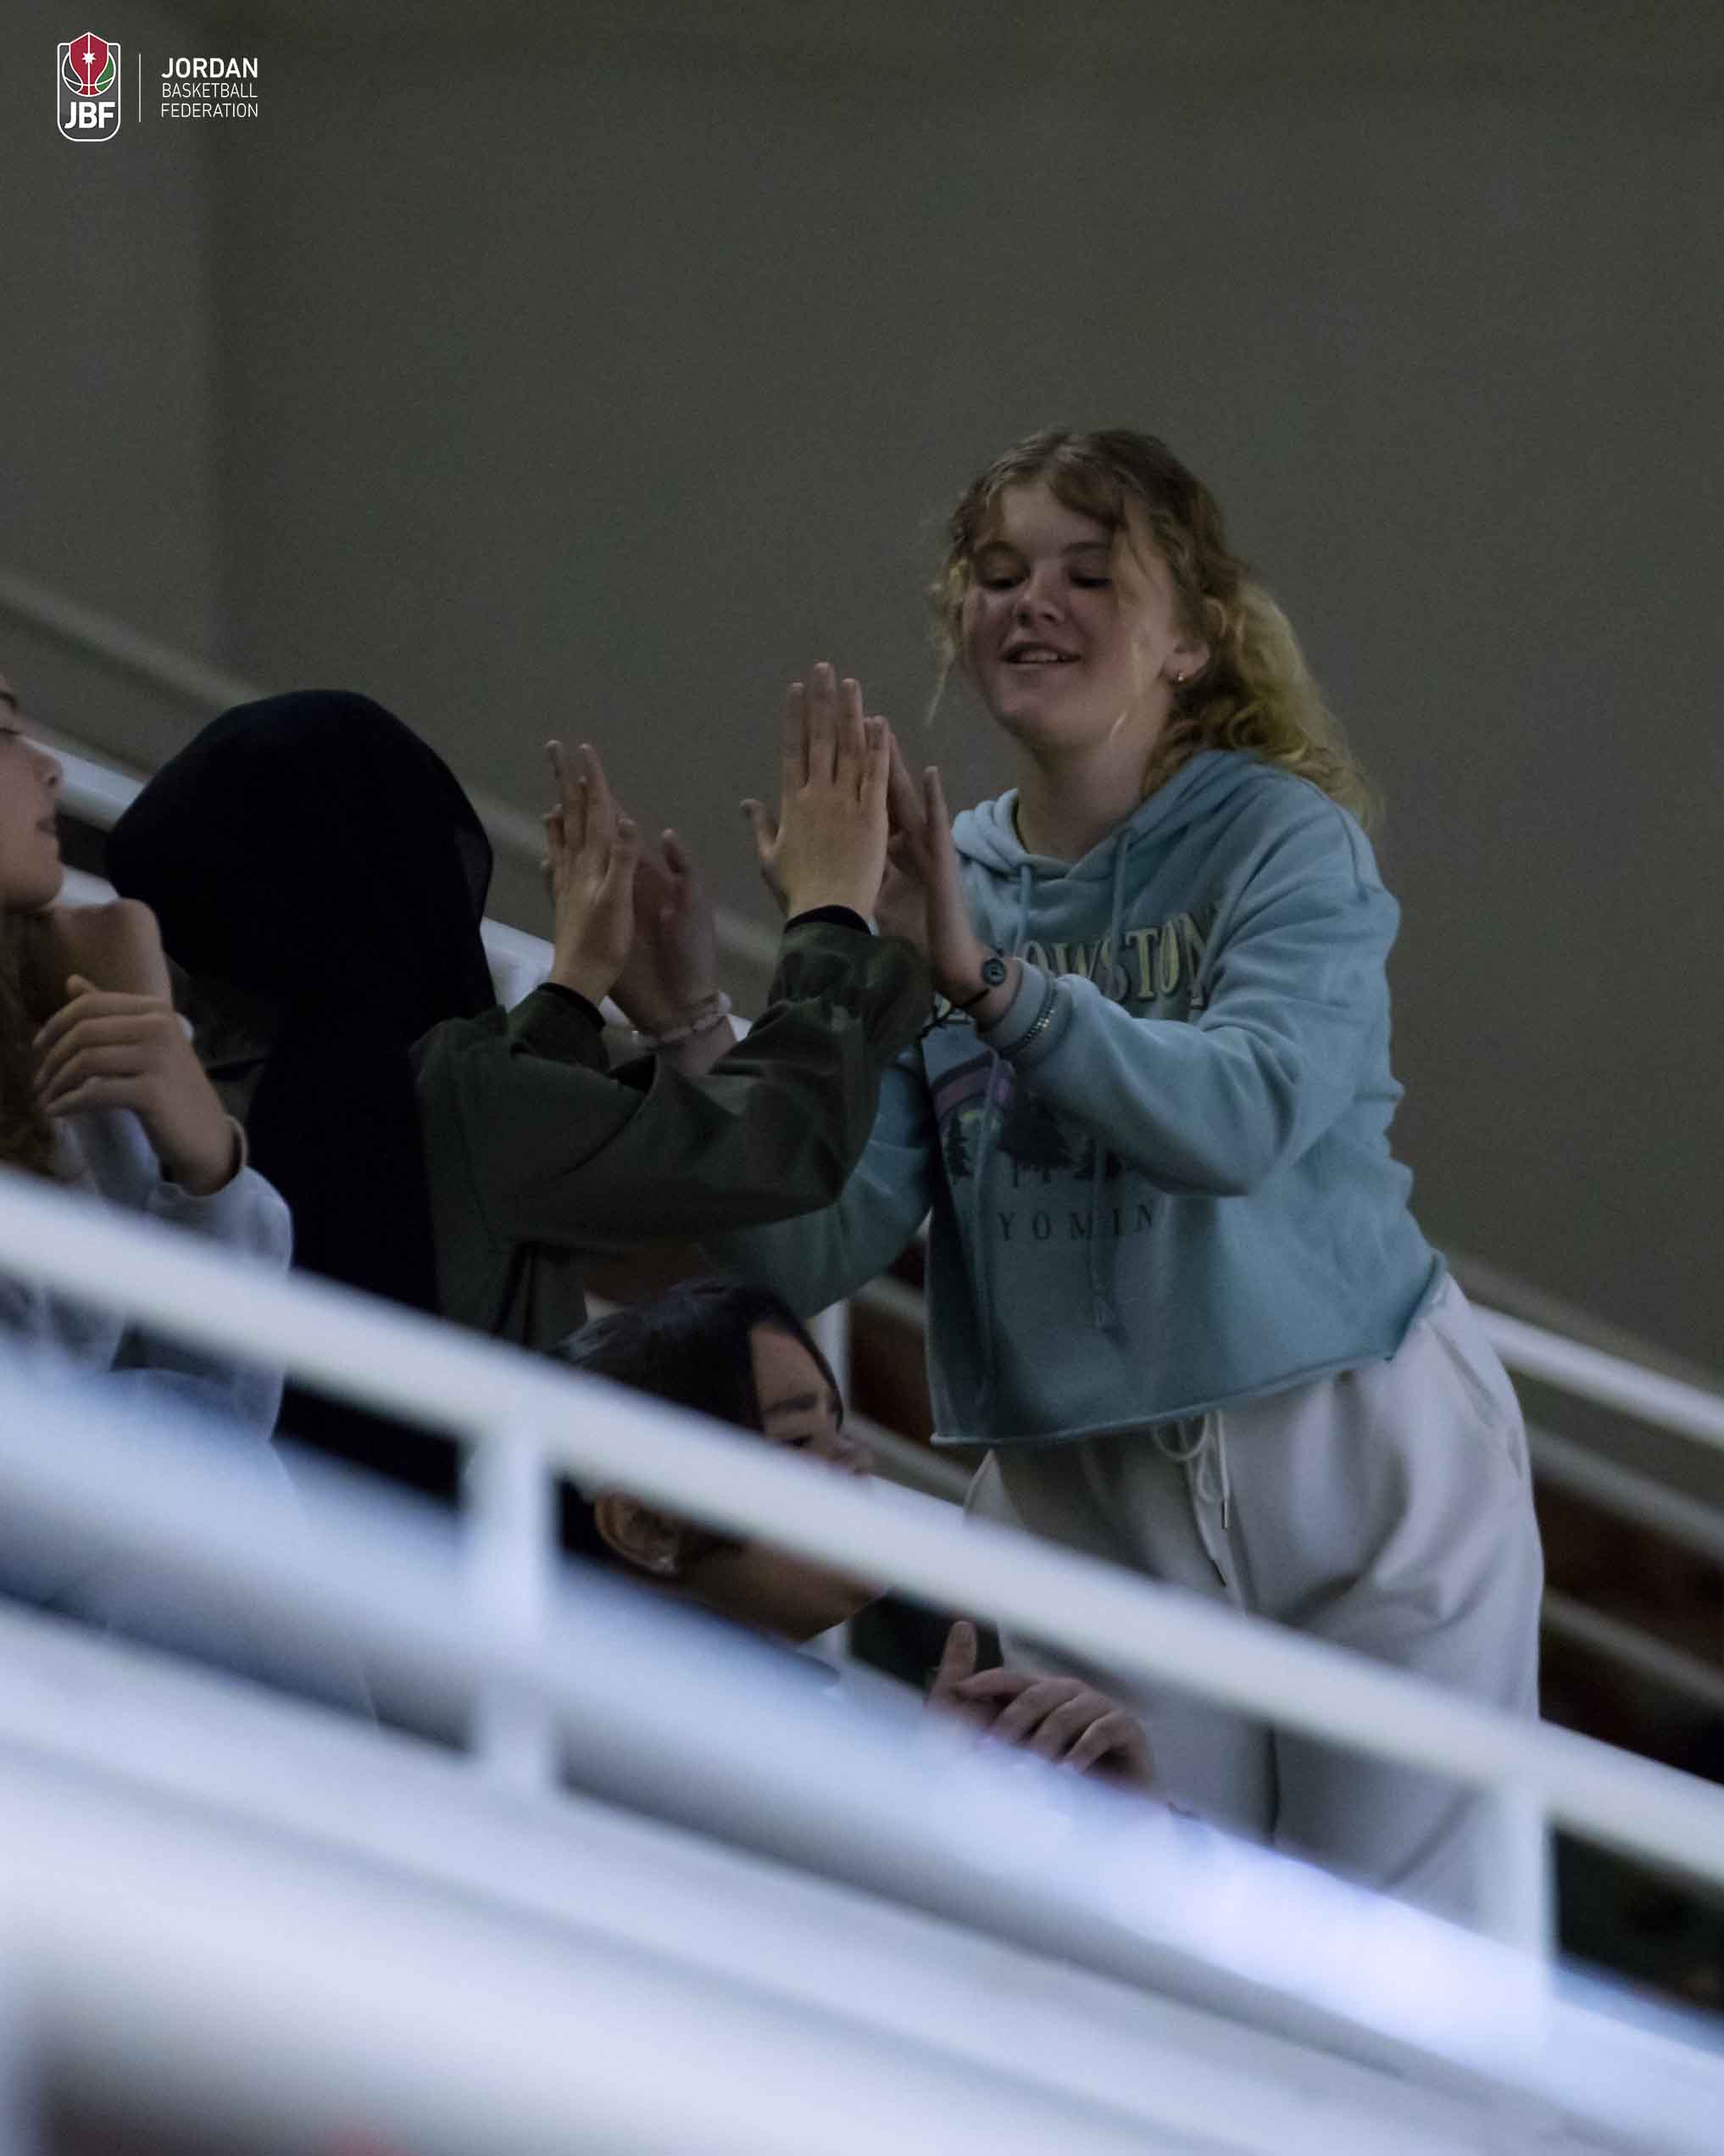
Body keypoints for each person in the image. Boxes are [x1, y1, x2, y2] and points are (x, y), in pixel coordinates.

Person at [709, 427, 1543, 1920]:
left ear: (1190, 638)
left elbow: (1242, 1114)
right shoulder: (936, 876)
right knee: (1133, 1957)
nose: (1030, 600)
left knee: (1407, 1981)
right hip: (1079, 1495)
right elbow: (818, 1247)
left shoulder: (1280, 838)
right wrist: (726, 1014)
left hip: (1354, 1443)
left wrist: (988, 985)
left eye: (1089, 573)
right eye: (996, 571)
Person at [103, 674, 930, 1496]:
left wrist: (577, 989)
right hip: (469, 1559)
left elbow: (463, 1155)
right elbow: (780, 1140)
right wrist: (832, 911)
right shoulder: (463, 1097)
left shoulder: (195, 1102)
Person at [557, 1275, 1154, 1789]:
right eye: (796, 1440)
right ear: (644, 1525)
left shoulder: (781, 1727)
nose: (856, 1459)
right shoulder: (616, 1737)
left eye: (837, 1429)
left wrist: (1127, 1823)